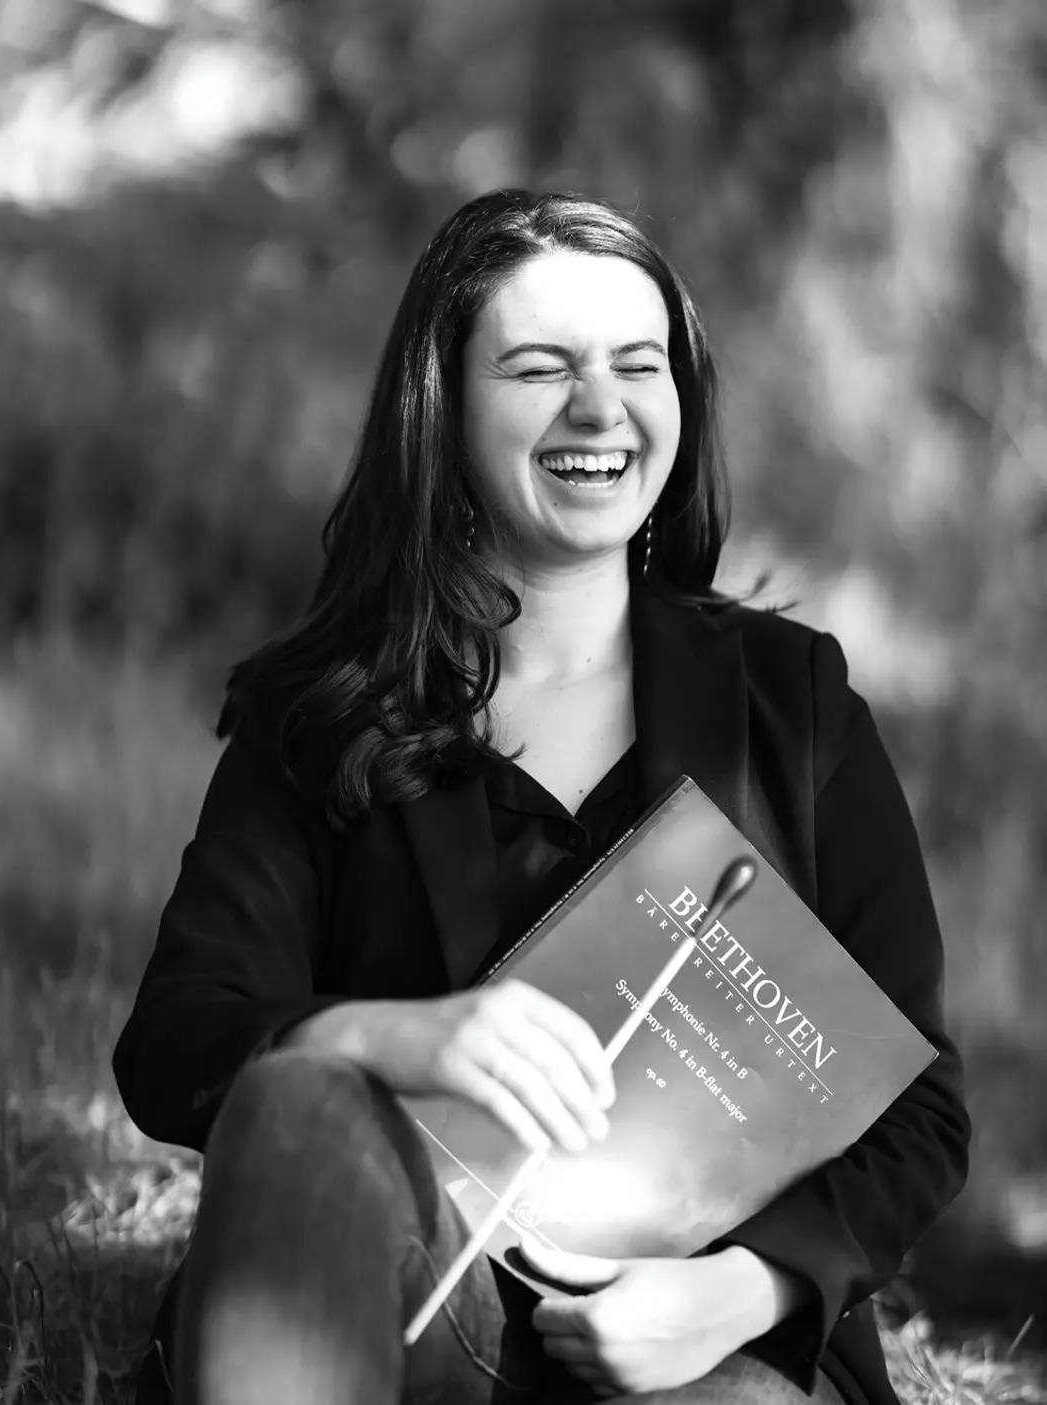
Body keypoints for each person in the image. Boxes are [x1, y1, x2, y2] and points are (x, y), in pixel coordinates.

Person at [113, 189, 970, 1405]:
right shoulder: (322, 718)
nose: (600, 407)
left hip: (699, 1347)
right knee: (300, 1098)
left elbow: (922, 1105)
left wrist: (739, 1294)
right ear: (444, 408)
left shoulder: (796, 704)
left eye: (638, 363)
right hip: (418, 1307)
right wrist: (391, 1038)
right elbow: (174, 1044)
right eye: (538, 367)